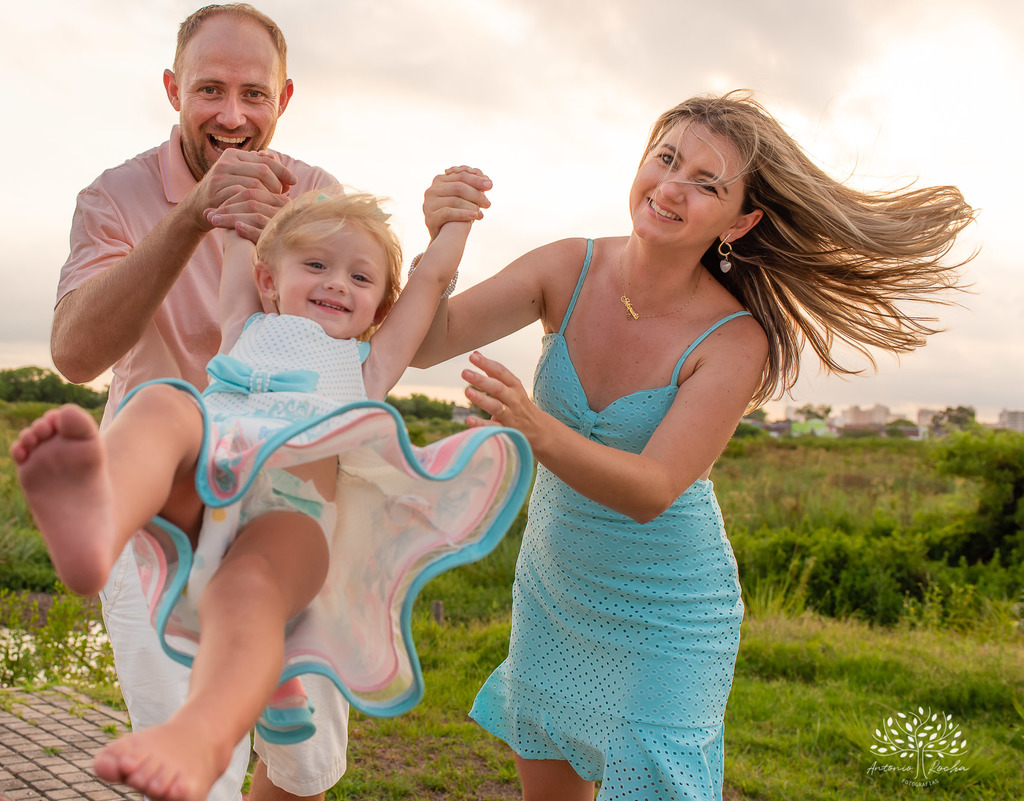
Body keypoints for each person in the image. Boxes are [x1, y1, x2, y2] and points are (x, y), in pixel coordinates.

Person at [412, 90, 975, 800]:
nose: (671, 186)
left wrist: (536, 427)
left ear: (741, 221)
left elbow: (652, 488)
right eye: (666, 158)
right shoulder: (566, 267)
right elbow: (426, 343)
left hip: (667, 613)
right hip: (555, 588)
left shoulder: (736, 340)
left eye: (705, 183)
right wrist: (443, 238)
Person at [20, 187, 531, 801]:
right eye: (316, 265)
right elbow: (242, 236)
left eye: (360, 276)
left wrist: (454, 222)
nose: (337, 283)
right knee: (162, 402)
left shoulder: (367, 365)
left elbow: (429, 283)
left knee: (253, 592)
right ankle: (101, 522)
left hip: (289, 525)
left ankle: (202, 732)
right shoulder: (244, 325)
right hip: (204, 495)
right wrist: (239, 210)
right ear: (269, 280)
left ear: (379, 306)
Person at [50, 6, 346, 799]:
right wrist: (194, 215)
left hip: (288, 500)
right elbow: (75, 355)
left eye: (255, 93)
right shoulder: (114, 196)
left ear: (284, 100)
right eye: (210, 89)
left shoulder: (317, 193)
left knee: (304, 760)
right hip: (160, 509)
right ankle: (95, 519)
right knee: (190, 769)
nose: (233, 114)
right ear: (174, 90)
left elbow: (359, 333)